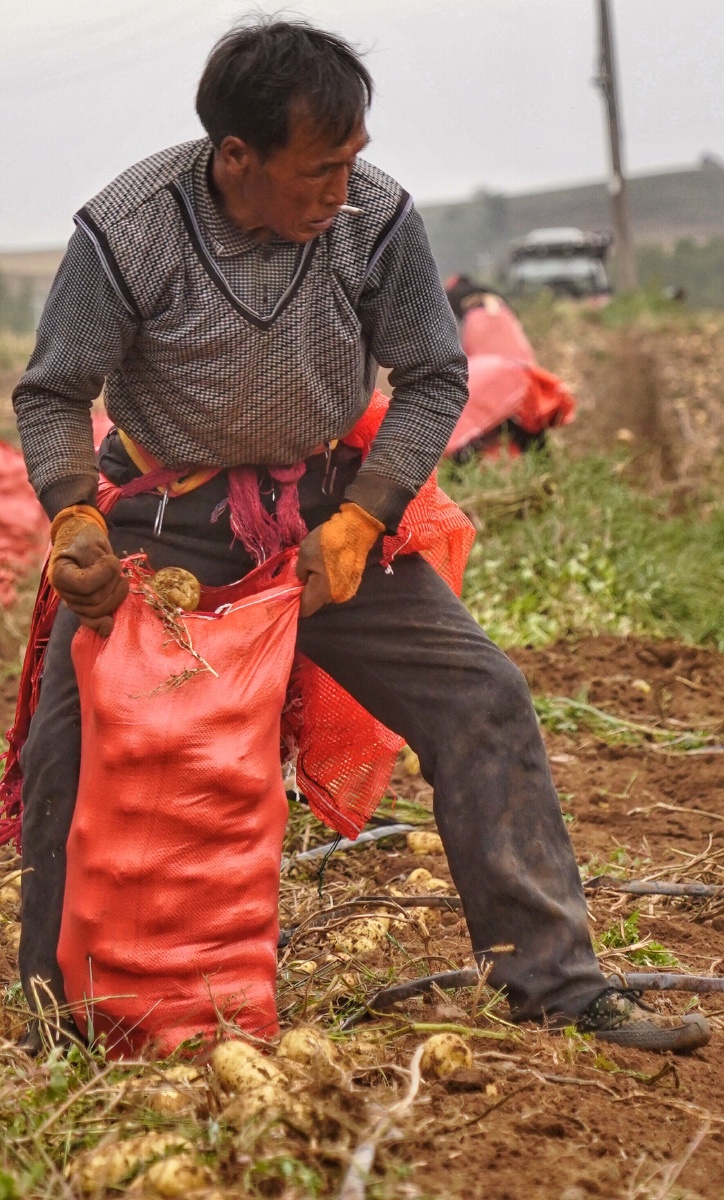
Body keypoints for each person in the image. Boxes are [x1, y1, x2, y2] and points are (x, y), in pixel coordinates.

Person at [11, 17, 709, 1054]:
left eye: (352, 161)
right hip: (170, 523)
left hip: (324, 516)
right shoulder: (130, 229)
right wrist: (74, 511)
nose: (340, 187)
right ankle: (53, 1018)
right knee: (72, 746)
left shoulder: (373, 219)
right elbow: (54, 391)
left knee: (481, 697)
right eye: (318, 169)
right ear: (235, 157)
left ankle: (555, 985)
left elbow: (435, 378)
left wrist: (365, 514)